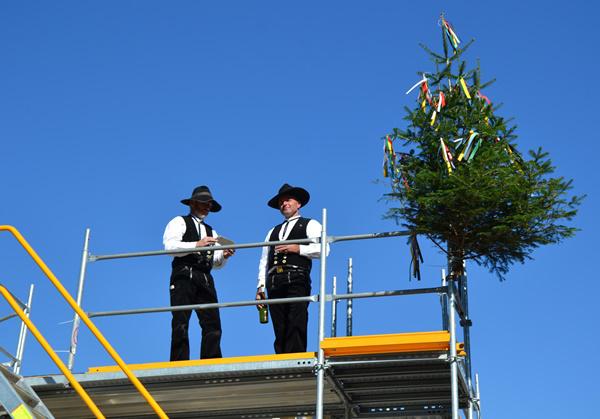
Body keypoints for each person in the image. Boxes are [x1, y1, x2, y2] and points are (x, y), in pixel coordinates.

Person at [163, 185, 234, 361]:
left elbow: (216, 263)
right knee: (181, 320)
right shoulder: (179, 221)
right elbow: (170, 248)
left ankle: (212, 361)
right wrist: (197, 244)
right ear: (193, 203)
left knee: (213, 322)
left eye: (209, 204)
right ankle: (179, 362)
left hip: (205, 277)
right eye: (203, 203)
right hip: (184, 274)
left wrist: (225, 256)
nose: (207, 207)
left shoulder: (212, 231)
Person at [256, 183, 325, 354]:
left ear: (298, 204)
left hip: (296, 277)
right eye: (281, 201)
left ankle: (296, 360)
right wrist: (260, 286)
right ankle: (282, 360)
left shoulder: (310, 224)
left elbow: (324, 249)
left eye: (288, 200)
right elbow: (264, 260)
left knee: (296, 320)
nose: (284, 203)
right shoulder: (272, 231)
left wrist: (298, 248)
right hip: (274, 281)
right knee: (279, 325)